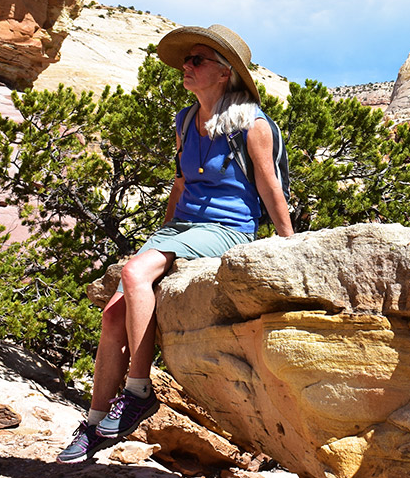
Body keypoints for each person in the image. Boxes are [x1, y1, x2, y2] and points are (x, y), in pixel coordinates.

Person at [57, 24, 293, 463]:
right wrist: (161, 237)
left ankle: (139, 389)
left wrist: (289, 247)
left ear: (225, 73)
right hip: (181, 229)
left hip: (227, 228)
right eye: (188, 60)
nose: (187, 66)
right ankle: (92, 424)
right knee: (113, 316)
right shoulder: (186, 120)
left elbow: (269, 186)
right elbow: (181, 184)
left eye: (198, 60)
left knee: (133, 272)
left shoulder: (252, 123)